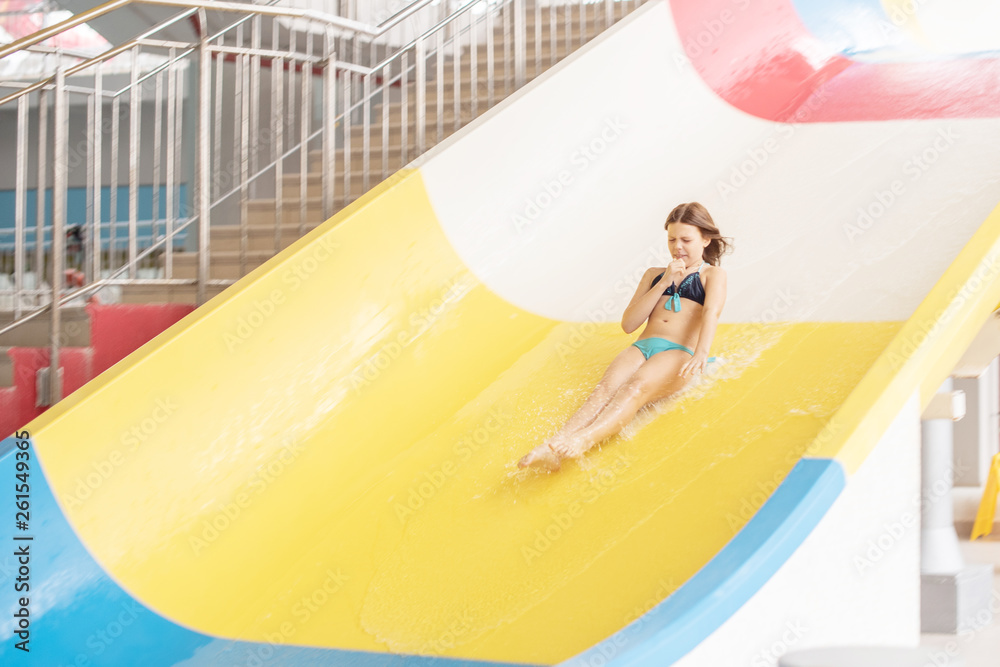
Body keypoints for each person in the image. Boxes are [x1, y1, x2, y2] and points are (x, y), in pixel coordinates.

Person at [517, 202, 732, 471]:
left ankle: (583, 440)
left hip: (677, 352)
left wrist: (702, 352)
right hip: (642, 346)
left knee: (634, 387)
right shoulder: (654, 275)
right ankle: (552, 447)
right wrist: (665, 281)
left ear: (705, 239)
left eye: (686, 240)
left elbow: (711, 312)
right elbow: (629, 324)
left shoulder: (713, 275)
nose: (678, 247)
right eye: (671, 239)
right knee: (604, 391)